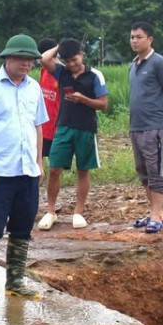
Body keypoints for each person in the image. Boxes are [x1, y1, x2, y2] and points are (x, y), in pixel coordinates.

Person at [0, 34, 49, 304]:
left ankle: (15, 281)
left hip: (27, 170)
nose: (27, 64)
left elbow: (38, 126)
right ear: (8, 58)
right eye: (22, 59)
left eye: (31, 60)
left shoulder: (34, 88)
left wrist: (39, 161)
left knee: (23, 226)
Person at [37, 39, 109, 230]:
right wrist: (59, 46)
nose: (72, 64)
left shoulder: (95, 75)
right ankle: (51, 211)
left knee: (83, 169)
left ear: (82, 55)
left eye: (74, 59)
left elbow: (103, 104)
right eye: (67, 61)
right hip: (63, 127)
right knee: (54, 168)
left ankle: (78, 212)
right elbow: (44, 59)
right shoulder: (62, 73)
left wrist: (83, 99)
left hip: (86, 128)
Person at [127, 21, 163, 234]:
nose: (134, 41)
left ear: (149, 39)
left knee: (156, 170)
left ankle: (157, 216)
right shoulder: (133, 64)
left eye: (138, 37)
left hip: (154, 126)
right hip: (136, 126)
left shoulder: (159, 63)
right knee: (144, 172)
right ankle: (154, 213)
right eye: (132, 37)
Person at [37, 37, 60, 171]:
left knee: (55, 162)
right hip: (44, 124)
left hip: (56, 125)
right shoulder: (44, 71)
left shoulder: (62, 72)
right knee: (39, 154)